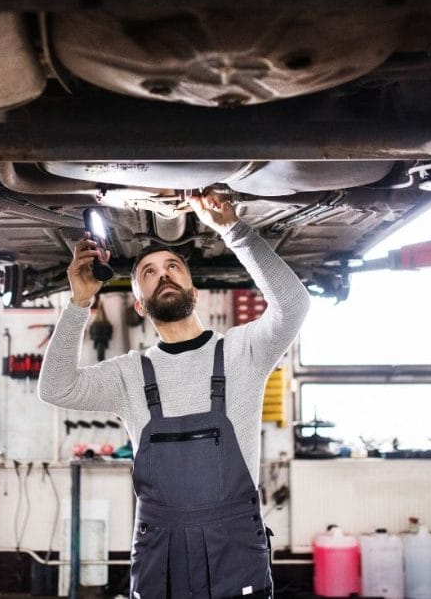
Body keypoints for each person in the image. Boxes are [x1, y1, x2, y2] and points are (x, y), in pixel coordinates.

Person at [38, 192, 310, 599]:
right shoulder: (129, 374)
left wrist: (235, 231)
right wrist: (79, 302)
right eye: (148, 272)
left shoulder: (241, 353)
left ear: (195, 292)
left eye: (172, 267)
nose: (162, 274)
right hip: (160, 555)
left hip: (233, 550)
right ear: (141, 306)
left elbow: (293, 304)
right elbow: (55, 387)